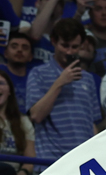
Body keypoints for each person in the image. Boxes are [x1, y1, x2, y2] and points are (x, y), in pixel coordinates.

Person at [24, 18, 99, 163]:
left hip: (84, 161)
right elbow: (36, 116)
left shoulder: (88, 79)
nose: (69, 52)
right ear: (53, 41)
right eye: (65, 46)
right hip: (51, 162)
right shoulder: (38, 73)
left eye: (74, 47)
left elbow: (92, 123)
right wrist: (60, 82)